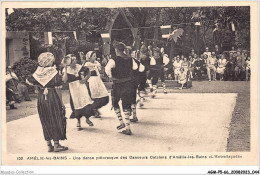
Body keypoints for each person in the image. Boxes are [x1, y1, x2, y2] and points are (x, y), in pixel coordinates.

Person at [26, 52, 67, 152]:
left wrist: (39, 87)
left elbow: (28, 81)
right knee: (55, 118)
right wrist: (62, 104)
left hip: (41, 98)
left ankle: (49, 145)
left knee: (45, 119)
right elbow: (61, 85)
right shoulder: (53, 72)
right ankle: (57, 144)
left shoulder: (38, 72)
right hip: (52, 96)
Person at [105, 41, 136, 135]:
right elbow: (134, 68)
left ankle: (121, 122)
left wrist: (111, 77)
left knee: (115, 103)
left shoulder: (113, 60)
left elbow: (107, 70)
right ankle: (128, 127)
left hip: (118, 84)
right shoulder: (131, 59)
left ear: (116, 50)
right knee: (126, 104)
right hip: (129, 84)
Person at [62, 54, 94, 130]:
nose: (74, 61)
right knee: (75, 104)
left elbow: (89, 72)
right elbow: (65, 80)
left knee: (85, 103)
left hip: (81, 87)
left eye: (75, 59)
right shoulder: (66, 69)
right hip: (73, 89)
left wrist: (85, 79)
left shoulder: (80, 67)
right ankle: (78, 121)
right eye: (72, 60)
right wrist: (65, 68)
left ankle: (87, 118)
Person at [84, 51, 109, 118]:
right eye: (93, 56)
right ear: (89, 57)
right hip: (92, 81)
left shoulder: (97, 63)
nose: (95, 57)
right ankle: (94, 110)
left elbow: (100, 71)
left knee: (104, 96)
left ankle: (95, 108)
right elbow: (86, 72)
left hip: (98, 81)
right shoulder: (88, 64)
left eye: (95, 56)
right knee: (94, 96)